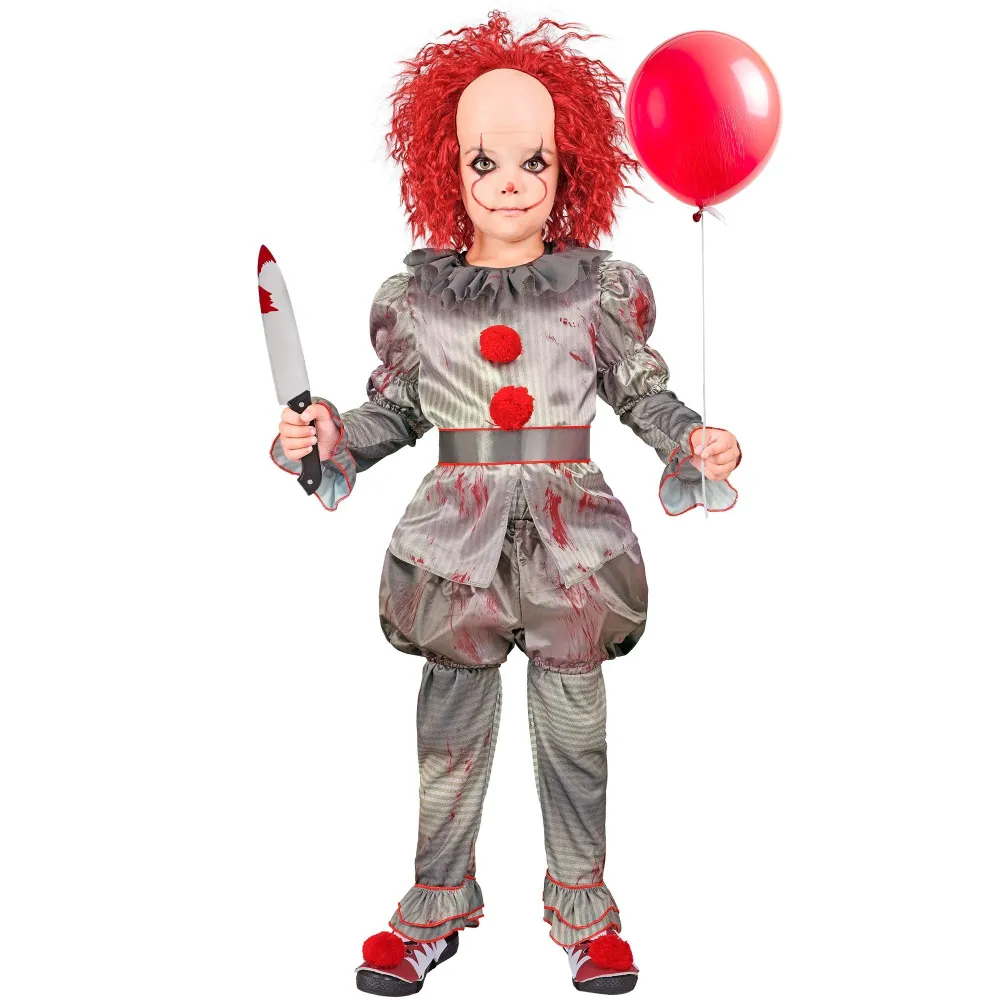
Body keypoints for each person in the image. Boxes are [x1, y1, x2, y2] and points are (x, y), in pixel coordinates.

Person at [269, 12, 740, 995]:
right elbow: (397, 410)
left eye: (536, 161)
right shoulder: (420, 301)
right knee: (448, 731)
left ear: (570, 168)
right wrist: (327, 438)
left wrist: (689, 439)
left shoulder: (593, 292)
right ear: (451, 167)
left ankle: (583, 909)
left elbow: (641, 393)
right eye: (486, 161)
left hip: (573, 545)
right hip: (455, 544)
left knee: (575, 732)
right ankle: (436, 904)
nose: (512, 182)